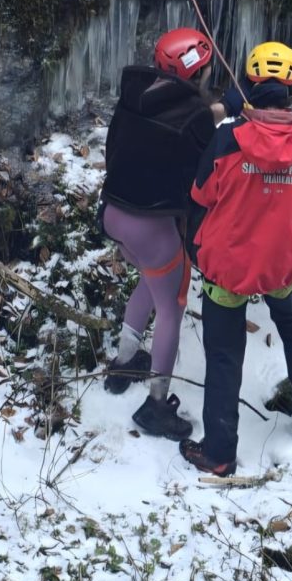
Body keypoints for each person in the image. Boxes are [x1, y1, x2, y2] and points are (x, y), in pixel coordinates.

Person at [180, 42, 292, 477]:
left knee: (224, 355)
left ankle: (220, 453)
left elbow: (200, 194)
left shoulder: (226, 140)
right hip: (284, 263)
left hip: (228, 266)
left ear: (250, 86)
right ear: (291, 87)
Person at [100, 26, 217, 440]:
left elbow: (126, 143)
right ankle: (155, 406)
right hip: (154, 228)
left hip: (115, 216)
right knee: (172, 308)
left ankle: (122, 364)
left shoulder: (134, 96)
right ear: (196, 71)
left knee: (150, 284)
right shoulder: (196, 117)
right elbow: (207, 168)